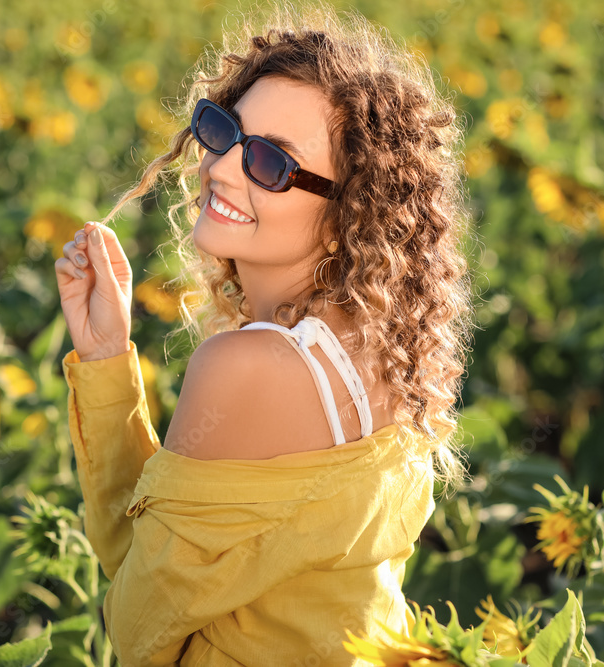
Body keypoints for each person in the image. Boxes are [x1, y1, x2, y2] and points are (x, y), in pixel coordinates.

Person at [54, 1, 475, 664]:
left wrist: (106, 376)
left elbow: (137, 623)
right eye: (222, 131)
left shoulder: (247, 366)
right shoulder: (389, 352)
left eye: (272, 164)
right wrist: (106, 351)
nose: (220, 167)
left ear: (348, 213)